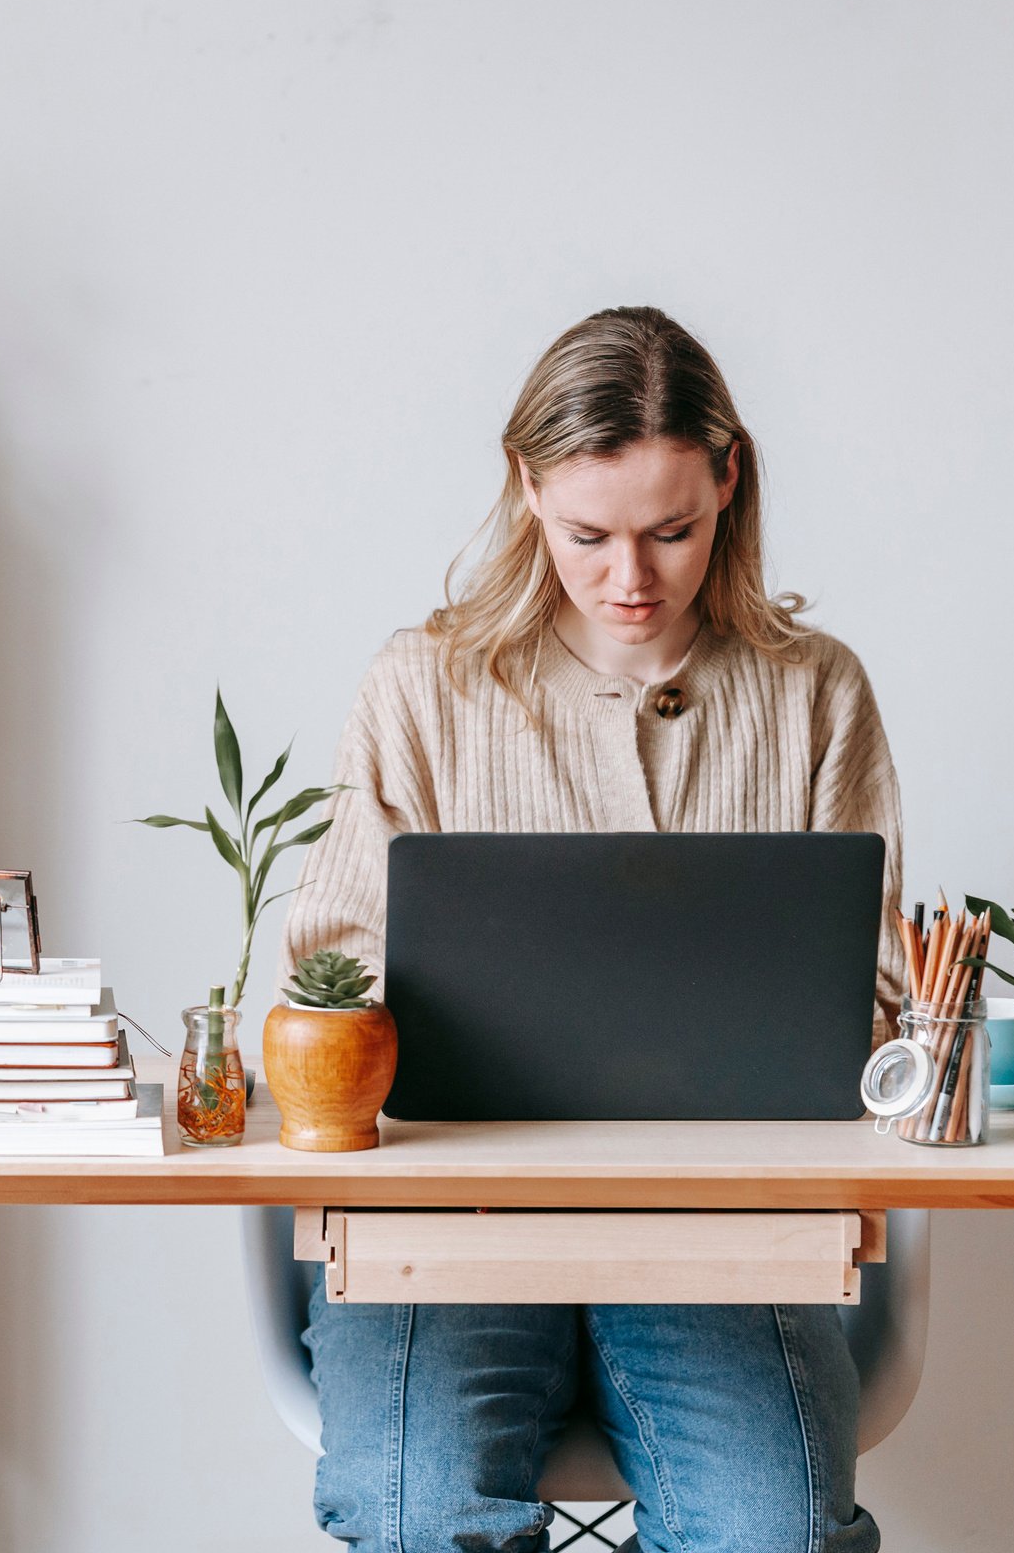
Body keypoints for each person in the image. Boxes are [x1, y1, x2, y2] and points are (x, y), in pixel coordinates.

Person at [280, 306, 902, 1553]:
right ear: (525, 488)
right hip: (446, 1235)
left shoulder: (813, 689)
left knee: (771, 1534)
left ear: (728, 481)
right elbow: (328, 971)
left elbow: (876, 1002)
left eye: (672, 530)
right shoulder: (423, 685)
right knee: (416, 1521)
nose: (633, 578)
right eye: (588, 535)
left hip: (724, 1239)